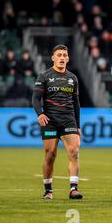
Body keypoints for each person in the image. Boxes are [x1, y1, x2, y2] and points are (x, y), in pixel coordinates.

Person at [32, 45, 82, 200]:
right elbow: (35, 98)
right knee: (50, 155)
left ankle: (74, 189)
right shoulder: (44, 76)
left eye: (64, 55)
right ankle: (48, 190)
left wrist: (78, 125)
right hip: (50, 121)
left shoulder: (72, 78)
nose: (61, 57)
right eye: (58, 55)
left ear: (67, 58)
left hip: (68, 120)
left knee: (74, 152)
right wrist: (40, 114)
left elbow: (76, 103)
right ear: (53, 58)